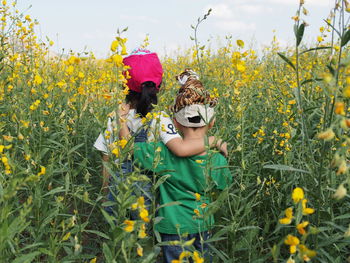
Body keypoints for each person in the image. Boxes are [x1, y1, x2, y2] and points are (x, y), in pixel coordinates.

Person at [93, 49, 226, 214]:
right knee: (142, 235)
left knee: (119, 234)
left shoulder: (115, 116)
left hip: (117, 194)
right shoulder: (159, 118)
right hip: (147, 201)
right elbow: (181, 149)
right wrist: (213, 141)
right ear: (159, 87)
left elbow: (106, 161)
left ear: (123, 85)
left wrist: (106, 195)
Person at [132, 78, 232, 262]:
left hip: (172, 226)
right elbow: (223, 187)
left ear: (175, 124)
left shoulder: (162, 153)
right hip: (203, 224)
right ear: (212, 123)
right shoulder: (217, 159)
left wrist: (123, 121)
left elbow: (131, 150)